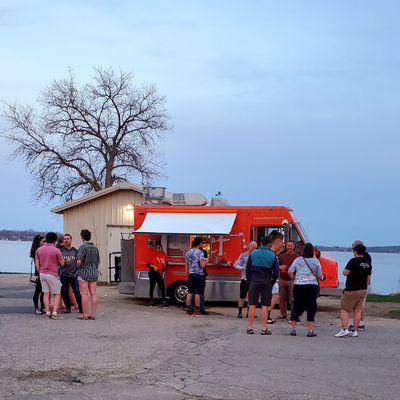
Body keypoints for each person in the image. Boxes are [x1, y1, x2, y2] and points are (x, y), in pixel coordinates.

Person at [335, 244, 372, 338]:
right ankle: (354, 331)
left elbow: (345, 272)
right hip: (363, 289)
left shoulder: (353, 261)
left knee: (344, 309)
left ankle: (344, 329)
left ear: (355, 251)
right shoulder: (367, 263)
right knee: (358, 310)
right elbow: (368, 278)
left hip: (352, 289)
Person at [287, 243, 324, 337]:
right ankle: (310, 331)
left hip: (299, 285)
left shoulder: (298, 260)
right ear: (312, 251)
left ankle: (293, 329)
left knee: (296, 305)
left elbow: (290, 272)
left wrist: (295, 278)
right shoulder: (315, 261)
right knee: (311, 306)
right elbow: (320, 275)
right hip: (312, 286)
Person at [246, 236, 279, 335]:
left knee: (252, 305)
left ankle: (250, 327)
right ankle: (264, 329)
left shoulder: (252, 253)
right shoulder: (272, 255)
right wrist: (271, 282)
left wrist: (250, 281)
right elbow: (276, 273)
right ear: (269, 244)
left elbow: (247, 270)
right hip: (266, 282)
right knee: (265, 305)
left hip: (254, 281)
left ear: (260, 243)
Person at [35, 231, 65, 319]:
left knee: (45, 293)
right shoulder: (56, 250)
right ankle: (54, 312)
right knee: (57, 293)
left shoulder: (39, 249)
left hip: (42, 273)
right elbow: (62, 263)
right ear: (55, 240)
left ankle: (47, 311)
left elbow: (37, 263)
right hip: (53, 274)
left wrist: (40, 271)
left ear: (46, 239)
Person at [76, 229, 100, 320]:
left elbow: (78, 261)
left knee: (84, 294)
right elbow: (98, 261)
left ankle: (85, 314)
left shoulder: (83, 247)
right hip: (94, 272)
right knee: (93, 293)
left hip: (84, 273)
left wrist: (79, 267)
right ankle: (93, 314)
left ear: (82, 237)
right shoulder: (95, 248)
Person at [350, 240, 372, 331]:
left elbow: (367, 271)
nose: (353, 252)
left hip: (361, 285)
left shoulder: (365, 257)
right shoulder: (366, 257)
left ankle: (360, 323)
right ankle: (359, 322)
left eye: (353, 250)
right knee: (358, 305)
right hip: (361, 284)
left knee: (359, 305)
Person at [60, 234, 83, 314]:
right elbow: (58, 263)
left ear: (71, 240)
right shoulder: (61, 251)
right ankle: (68, 307)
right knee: (64, 292)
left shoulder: (75, 251)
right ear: (63, 241)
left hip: (73, 275)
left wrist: (77, 272)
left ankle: (81, 308)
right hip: (63, 275)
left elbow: (79, 262)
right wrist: (65, 263)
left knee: (77, 292)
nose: (66, 240)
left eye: (68, 239)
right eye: (65, 239)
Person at [234, 241, 258, 318]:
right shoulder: (243, 255)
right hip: (244, 279)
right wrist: (242, 268)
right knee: (242, 296)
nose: (254, 249)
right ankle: (240, 312)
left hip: (253, 279)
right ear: (249, 246)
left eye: (255, 248)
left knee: (251, 296)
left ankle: (249, 313)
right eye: (253, 247)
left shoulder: (257, 256)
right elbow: (236, 265)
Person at [185, 237, 208, 315]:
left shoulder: (188, 252)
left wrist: (187, 274)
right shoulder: (200, 252)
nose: (202, 244)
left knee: (190, 292)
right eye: (201, 243)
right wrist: (206, 261)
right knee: (198, 293)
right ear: (199, 243)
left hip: (191, 274)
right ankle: (197, 310)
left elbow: (186, 266)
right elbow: (202, 265)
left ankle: (188, 309)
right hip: (199, 274)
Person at [277, 240, 297, 320]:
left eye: (291, 246)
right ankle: (283, 314)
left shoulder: (297, 257)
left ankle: (294, 314)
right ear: (286, 246)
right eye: (288, 246)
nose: (289, 247)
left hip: (292, 281)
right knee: (282, 299)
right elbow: (275, 266)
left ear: (294, 246)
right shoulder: (281, 256)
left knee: (292, 299)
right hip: (282, 280)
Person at [30, 235, 45, 315]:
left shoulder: (40, 250)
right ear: (38, 242)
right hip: (39, 273)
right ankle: (37, 308)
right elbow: (37, 264)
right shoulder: (36, 251)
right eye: (42, 241)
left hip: (42, 272)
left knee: (43, 291)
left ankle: (42, 307)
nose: (44, 242)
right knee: (38, 291)